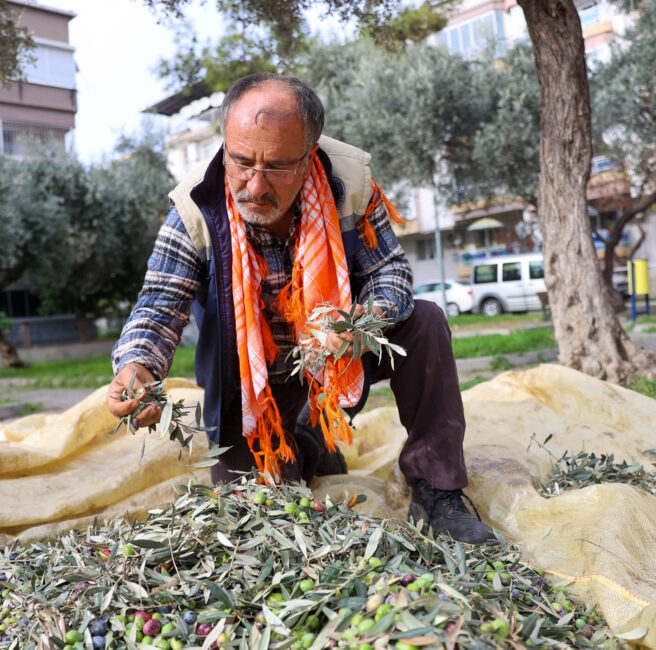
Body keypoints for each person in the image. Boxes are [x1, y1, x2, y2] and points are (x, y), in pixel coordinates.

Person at [107, 73, 494, 545]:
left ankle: (438, 490)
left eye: (276, 168)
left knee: (426, 321)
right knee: (258, 510)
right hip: (253, 377)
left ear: (309, 155)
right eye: (242, 162)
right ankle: (310, 443)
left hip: (340, 349)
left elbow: (391, 274)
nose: (254, 185)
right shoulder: (195, 208)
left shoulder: (350, 182)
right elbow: (158, 306)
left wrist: (358, 324)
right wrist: (137, 367)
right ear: (225, 145)